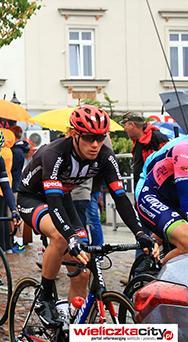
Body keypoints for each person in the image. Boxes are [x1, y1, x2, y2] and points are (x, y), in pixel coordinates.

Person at [17, 105, 154, 327]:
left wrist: (140, 232)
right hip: (33, 198)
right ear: (74, 134)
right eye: (89, 138)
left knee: (82, 270)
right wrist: (70, 236)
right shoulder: (55, 153)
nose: (95, 144)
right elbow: (52, 200)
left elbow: (120, 197)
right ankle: (45, 296)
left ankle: (70, 326)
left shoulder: (105, 156)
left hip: (62, 199)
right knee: (62, 238)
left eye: (100, 138)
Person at [122, 113, 168, 190]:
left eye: (125, 125)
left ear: (132, 125)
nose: (124, 129)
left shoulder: (156, 137)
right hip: (141, 183)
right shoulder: (138, 140)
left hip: (154, 185)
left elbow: (167, 159)